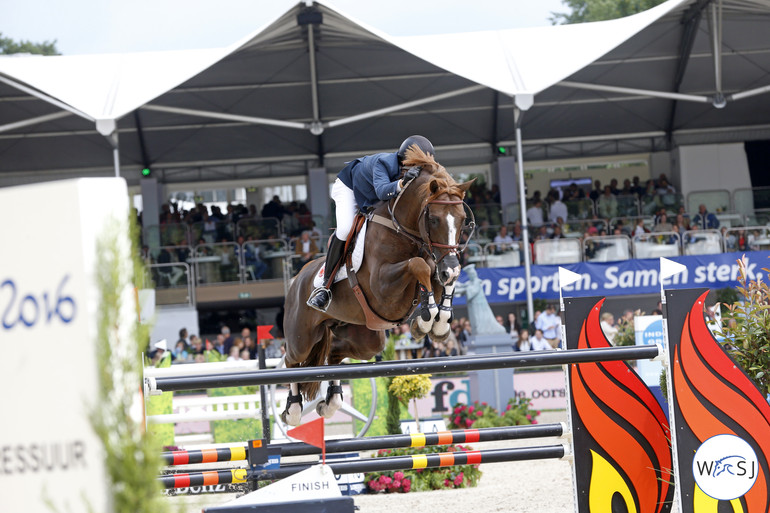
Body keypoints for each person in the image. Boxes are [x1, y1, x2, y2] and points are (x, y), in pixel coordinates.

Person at [307, 135, 434, 312]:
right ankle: (325, 286)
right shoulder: (383, 163)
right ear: (404, 161)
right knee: (344, 229)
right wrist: (403, 182)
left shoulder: (412, 171)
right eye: (415, 167)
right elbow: (382, 191)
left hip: (371, 196)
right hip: (350, 189)